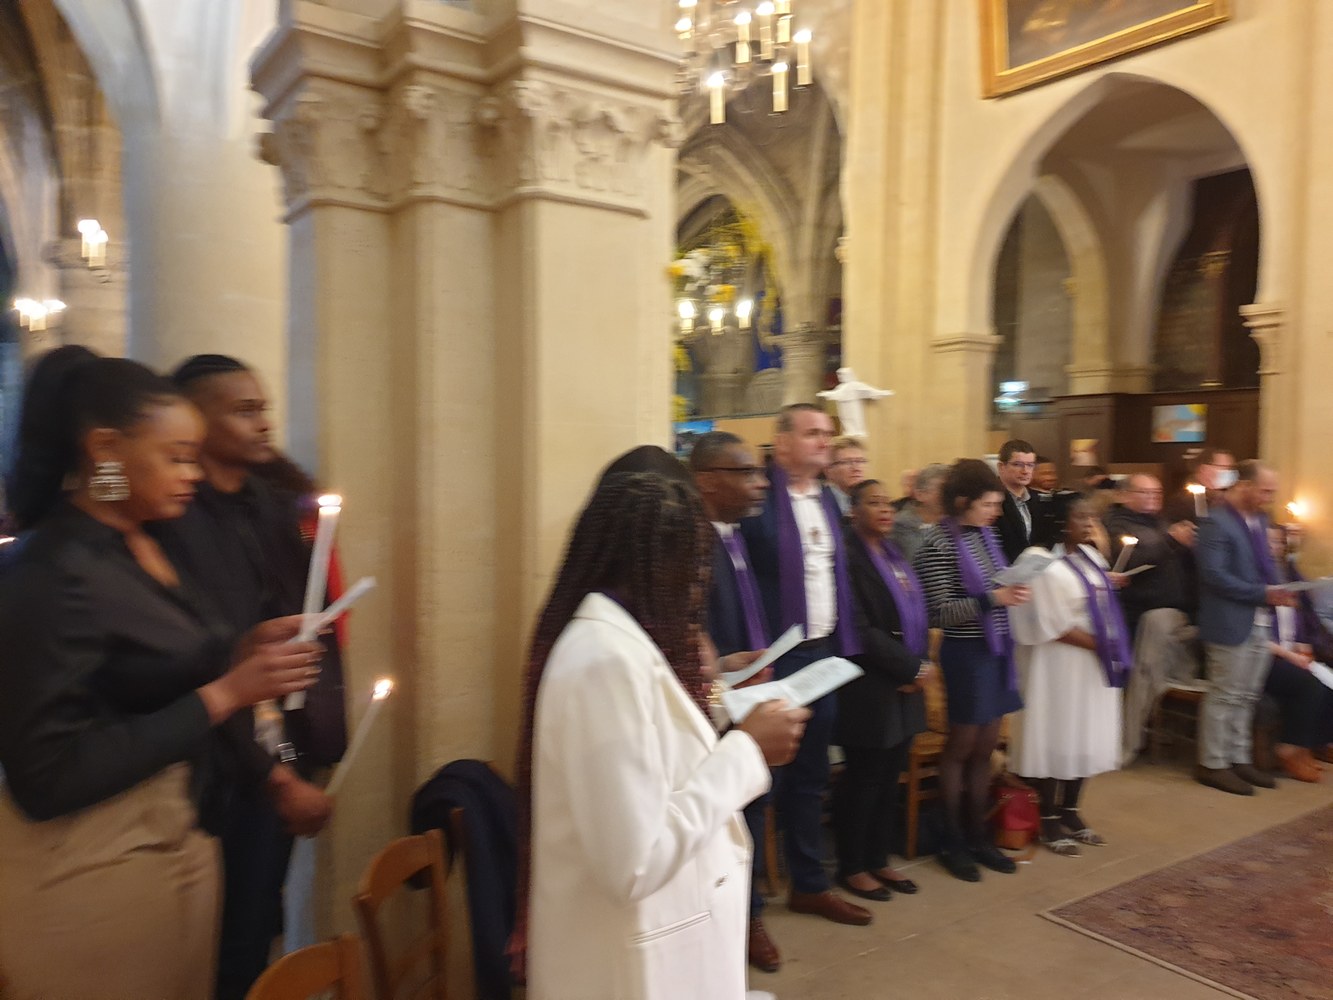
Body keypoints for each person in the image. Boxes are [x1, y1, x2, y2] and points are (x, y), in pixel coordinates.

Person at [0, 346, 319, 1000]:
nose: (192, 475)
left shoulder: (138, 541)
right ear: (105, 449)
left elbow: (151, 674)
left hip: (176, 828)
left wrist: (241, 653)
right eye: (175, 457)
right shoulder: (52, 571)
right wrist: (225, 692)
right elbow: (46, 776)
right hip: (89, 856)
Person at [518, 472, 809, 1000]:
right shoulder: (602, 661)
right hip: (629, 960)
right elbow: (634, 862)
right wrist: (747, 750)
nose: (699, 591)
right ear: (649, 568)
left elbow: (658, 745)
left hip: (671, 929)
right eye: (692, 570)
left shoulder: (626, 641)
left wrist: (726, 710)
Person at [159, 353, 345, 1000]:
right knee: (221, 942)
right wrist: (274, 775)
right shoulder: (176, 522)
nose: (264, 423)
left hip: (282, 744)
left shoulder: (269, 507)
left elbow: (300, 622)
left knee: (261, 918)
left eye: (263, 408)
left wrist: (307, 747)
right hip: (220, 763)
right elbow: (201, 663)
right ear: (196, 421)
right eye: (244, 411)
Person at [740, 403, 872, 926]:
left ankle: (809, 885)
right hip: (773, 658)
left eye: (828, 434)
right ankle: (747, 909)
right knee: (758, 782)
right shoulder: (757, 500)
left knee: (812, 775)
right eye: (813, 433)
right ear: (783, 443)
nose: (824, 441)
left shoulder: (828, 500)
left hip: (822, 653)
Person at [690, 432, 783, 975]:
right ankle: (737, 920)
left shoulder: (735, 536)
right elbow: (691, 634)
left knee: (754, 803)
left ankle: (749, 913)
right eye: (746, 472)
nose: (760, 482)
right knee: (726, 812)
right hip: (710, 704)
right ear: (707, 481)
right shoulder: (693, 543)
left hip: (746, 687)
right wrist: (724, 672)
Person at [914, 459, 1031, 882]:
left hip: (995, 647)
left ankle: (979, 837)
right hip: (965, 653)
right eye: (988, 504)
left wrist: (1014, 589)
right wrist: (993, 600)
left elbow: (994, 586)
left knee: (986, 747)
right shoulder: (936, 544)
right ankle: (953, 840)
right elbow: (938, 612)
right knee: (961, 747)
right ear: (963, 502)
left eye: (998, 505)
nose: (996, 513)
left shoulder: (986, 535)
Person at [1010, 497, 1129, 857]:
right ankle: (1047, 817)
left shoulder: (1090, 557)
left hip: (1091, 661)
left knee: (1084, 733)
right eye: (1081, 516)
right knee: (1058, 733)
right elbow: (1046, 621)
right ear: (1060, 522)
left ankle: (1071, 811)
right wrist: (1100, 644)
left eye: (1093, 516)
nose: (1090, 523)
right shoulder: (1038, 560)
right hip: (1059, 661)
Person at [833, 480, 930, 902]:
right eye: (874, 503)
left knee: (891, 776)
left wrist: (918, 666)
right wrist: (909, 667)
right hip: (869, 683)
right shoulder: (847, 558)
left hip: (905, 681)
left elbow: (914, 613)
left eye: (887, 502)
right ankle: (852, 866)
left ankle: (878, 858)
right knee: (865, 779)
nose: (885, 509)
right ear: (853, 511)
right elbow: (858, 628)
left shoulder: (893, 553)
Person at [1195, 460, 1298, 795]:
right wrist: (1263, 593)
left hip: (1259, 618)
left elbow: (1266, 563)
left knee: (1248, 695)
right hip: (1228, 619)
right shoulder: (1216, 522)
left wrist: (1282, 589)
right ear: (1244, 486)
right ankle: (1212, 763)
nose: (1270, 497)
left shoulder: (1260, 519)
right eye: (1265, 491)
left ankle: (1239, 759)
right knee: (1224, 694)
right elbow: (1214, 576)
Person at [1261, 525, 1333, 783]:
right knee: (1310, 685)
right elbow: (1256, 634)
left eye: (1279, 542)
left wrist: (1303, 645)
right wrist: (1291, 656)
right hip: (1262, 656)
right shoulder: (1255, 580)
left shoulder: (1288, 575)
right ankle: (1290, 748)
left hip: (1289, 653)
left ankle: (1314, 745)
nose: (1275, 547)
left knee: (1328, 682)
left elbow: (1299, 620)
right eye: (1269, 542)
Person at [994, 439, 1053, 561]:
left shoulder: (1038, 500)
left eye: (1030, 465)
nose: (1025, 471)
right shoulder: (992, 501)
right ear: (1001, 467)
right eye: (1017, 464)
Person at [889, 462, 948, 563]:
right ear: (920, 495)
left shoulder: (953, 522)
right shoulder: (902, 524)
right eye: (942, 490)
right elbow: (921, 561)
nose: (948, 495)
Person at [825, 436, 869, 516]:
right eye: (847, 462)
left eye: (860, 461)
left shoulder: (869, 501)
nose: (856, 468)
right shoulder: (822, 502)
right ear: (829, 470)